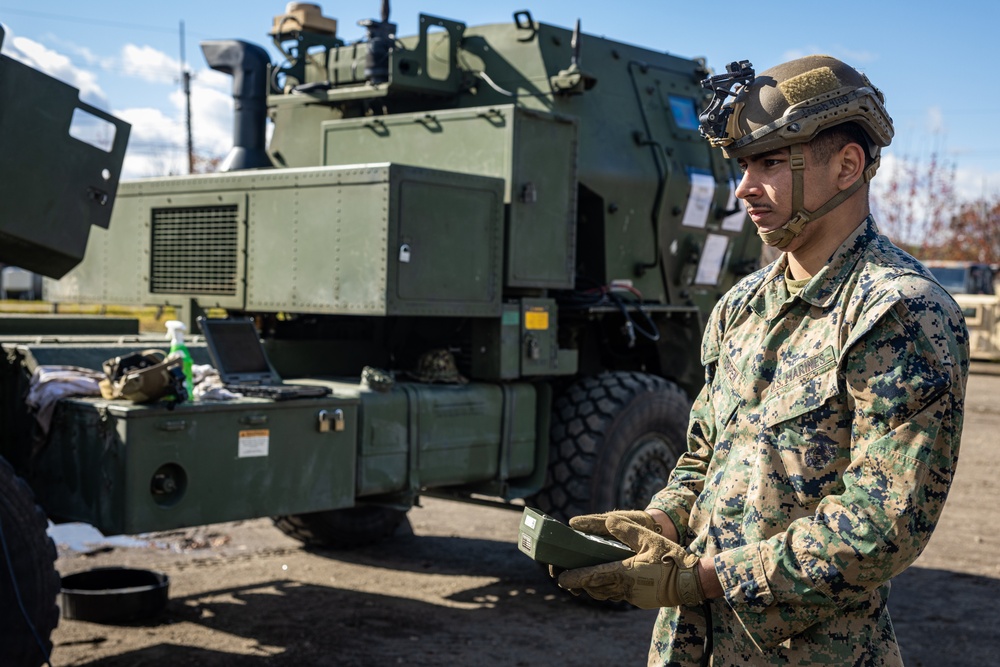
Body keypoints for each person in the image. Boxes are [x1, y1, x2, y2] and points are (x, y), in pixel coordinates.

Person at [556, 55, 970, 666]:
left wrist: (702, 578)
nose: (745, 187)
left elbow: (882, 522)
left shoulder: (898, 312)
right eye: (744, 164)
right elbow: (704, 457)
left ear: (847, 165)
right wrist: (658, 527)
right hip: (690, 647)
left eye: (772, 161)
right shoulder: (740, 306)